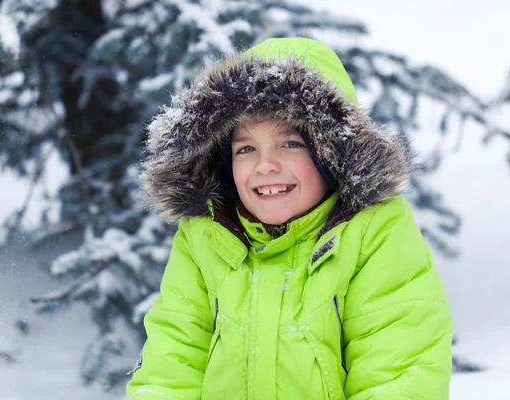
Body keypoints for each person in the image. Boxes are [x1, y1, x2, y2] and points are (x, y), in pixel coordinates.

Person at [126, 37, 453, 399]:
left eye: (290, 144)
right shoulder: (206, 237)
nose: (265, 165)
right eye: (246, 148)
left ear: (330, 155)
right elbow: (172, 361)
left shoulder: (374, 233)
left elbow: (399, 371)